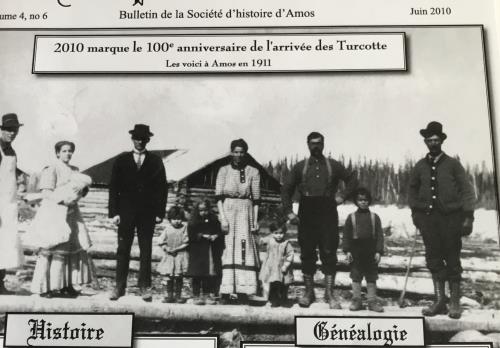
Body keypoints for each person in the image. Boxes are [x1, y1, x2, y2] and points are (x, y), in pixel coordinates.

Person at [282, 131, 357, 308]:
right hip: (307, 210)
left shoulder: (334, 165)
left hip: (327, 210)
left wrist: (342, 196)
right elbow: (286, 189)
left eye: (319, 143)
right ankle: (309, 293)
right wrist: (289, 212)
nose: (316, 146)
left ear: (323, 144)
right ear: (308, 145)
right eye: (312, 143)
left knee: (329, 252)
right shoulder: (300, 167)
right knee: (307, 252)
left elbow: (352, 180)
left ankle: (329, 294)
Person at [409, 121, 475, 319]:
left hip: (451, 219)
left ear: (442, 141)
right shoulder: (420, 166)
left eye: (437, 140)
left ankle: (454, 302)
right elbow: (411, 191)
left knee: (452, 259)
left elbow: (467, 191)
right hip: (429, 220)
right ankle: (440, 301)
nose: (433, 143)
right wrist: (416, 214)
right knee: (434, 258)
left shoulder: (453, 164)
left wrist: (468, 216)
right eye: (430, 140)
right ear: (425, 142)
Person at [108, 124, 167, 301]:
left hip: (147, 213)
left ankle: (144, 287)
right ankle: (119, 286)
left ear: (147, 140)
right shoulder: (121, 160)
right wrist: (114, 213)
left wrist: (159, 212)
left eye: (143, 139)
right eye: (137, 138)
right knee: (123, 248)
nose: (140, 142)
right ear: (132, 139)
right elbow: (114, 188)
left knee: (146, 250)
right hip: (125, 212)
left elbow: (161, 188)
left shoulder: (156, 161)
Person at [30, 141, 95, 298]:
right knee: (51, 249)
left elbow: (82, 190)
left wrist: (83, 189)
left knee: (71, 249)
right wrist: (63, 200)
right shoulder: (51, 168)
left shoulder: (75, 171)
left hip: (72, 213)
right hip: (54, 212)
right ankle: (45, 287)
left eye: (70, 151)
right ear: (57, 153)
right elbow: (46, 193)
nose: (68, 154)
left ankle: (67, 285)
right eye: (64, 151)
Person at [215, 138, 261, 304]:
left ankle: (244, 290)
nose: (238, 155)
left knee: (244, 247)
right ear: (231, 152)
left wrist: (254, 221)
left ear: (245, 153)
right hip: (228, 209)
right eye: (235, 151)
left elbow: (256, 199)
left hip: (246, 211)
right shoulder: (223, 170)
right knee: (229, 248)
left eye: (241, 152)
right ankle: (226, 291)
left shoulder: (253, 172)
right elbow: (219, 196)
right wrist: (222, 218)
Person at [342, 187, 384, 312]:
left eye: (366, 200)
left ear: (369, 201)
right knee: (356, 275)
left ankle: (372, 301)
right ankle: (357, 300)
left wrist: (378, 251)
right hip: (356, 251)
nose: (363, 202)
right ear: (356, 202)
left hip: (370, 250)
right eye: (360, 200)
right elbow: (346, 235)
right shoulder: (351, 217)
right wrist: (347, 250)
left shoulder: (374, 217)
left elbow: (380, 235)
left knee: (371, 276)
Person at [0, 113, 24, 294]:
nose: (12, 133)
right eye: (8, 130)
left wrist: (20, 176)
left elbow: (10, 173)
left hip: (8, 205)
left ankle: (0, 284)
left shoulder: (11, 151)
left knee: (6, 245)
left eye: (14, 130)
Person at [186, 200, 224, 305]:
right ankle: (196, 295)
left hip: (209, 251)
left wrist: (216, 235)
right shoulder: (193, 222)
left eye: (206, 210)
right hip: (197, 252)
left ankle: (207, 294)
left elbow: (219, 232)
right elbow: (191, 235)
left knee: (208, 274)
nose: (204, 213)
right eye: (201, 210)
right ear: (197, 211)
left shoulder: (214, 220)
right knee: (197, 274)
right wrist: (202, 235)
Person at [157, 206, 189, 303]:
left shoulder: (184, 228)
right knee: (169, 277)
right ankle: (169, 295)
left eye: (179, 219)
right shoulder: (167, 229)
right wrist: (166, 248)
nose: (176, 221)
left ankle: (178, 296)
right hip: (170, 256)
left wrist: (177, 248)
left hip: (180, 255)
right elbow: (161, 241)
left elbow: (186, 242)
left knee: (179, 276)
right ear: (170, 219)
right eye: (174, 219)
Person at [259, 220, 294, 307]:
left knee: (283, 283)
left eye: (281, 233)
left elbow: (290, 254)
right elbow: (260, 241)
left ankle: (283, 298)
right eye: (276, 233)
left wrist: (286, 265)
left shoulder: (286, 243)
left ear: (284, 232)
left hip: (282, 266)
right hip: (271, 266)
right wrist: (255, 233)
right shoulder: (270, 239)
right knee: (273, 283)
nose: (279, 235)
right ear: (272, 233)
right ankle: (273, 299)